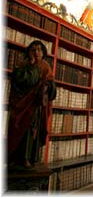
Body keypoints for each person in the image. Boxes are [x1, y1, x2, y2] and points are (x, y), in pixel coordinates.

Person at [7, 40, 57, 169]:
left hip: (35, 106)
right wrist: (32, 67)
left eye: (39, 50)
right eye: (33, 50)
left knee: (31, 131)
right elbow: (19, 81)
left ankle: (28, 157)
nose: (36, 52)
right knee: (18, 129)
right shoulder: (22, 64)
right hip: (21, 106)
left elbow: (52, 85)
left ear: (43, 52)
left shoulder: (46, 67)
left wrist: (47, 87)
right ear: (28, 52)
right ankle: (15, 157)